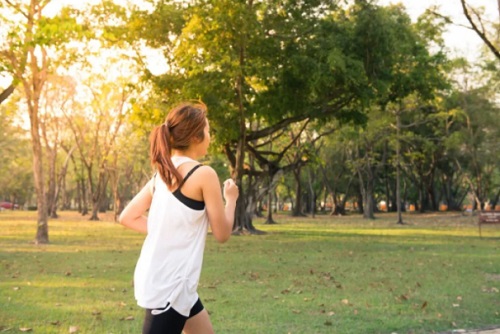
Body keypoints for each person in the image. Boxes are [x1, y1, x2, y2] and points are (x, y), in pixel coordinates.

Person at [119, 102, 239, 334]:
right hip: (169, 288)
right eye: (208, 131)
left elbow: (128, 217)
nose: (210, 137)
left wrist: (166, 230)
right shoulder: (204, 174)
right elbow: (223, 234)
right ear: (196, 136)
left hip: (174, 283)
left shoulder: (162, 174)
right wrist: (231, 199)